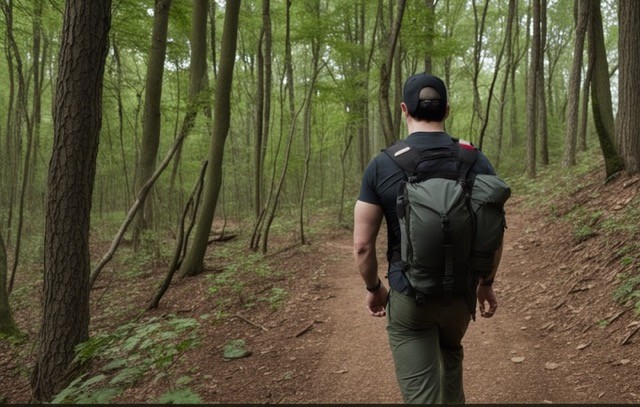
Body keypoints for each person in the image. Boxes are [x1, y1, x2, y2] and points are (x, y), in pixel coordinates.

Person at [353, 73, 502, 404]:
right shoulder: (475, 159)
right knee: (451, 358)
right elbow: (493, 230)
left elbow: (362, 246)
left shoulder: (381, 165)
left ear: (404, 109)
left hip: (409, 299)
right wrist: (486, 282)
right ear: (447, 110)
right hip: (461, 298)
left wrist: (375, 289)